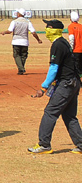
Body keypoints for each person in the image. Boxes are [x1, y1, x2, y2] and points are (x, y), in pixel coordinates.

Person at [28, 20, 82, 154]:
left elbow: (54, 68)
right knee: (69, 115)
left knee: (50, 112)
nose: (46, 29)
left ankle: (44, 144)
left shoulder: (57, 44)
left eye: (48, 27)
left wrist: (43, 87)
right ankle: (81, 144)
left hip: (66, 83)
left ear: (53, 29)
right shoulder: (63, 42)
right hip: (73, 82)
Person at [2, 9, 41, 74]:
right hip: (25, 41)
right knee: (24, 55)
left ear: (19, 14)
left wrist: (4, 32)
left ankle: (21, 68)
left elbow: (10, 31)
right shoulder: (28, 22)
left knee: (16, 55)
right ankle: (21, 69)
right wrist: (38, 39)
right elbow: (33, 32)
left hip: (16, 41)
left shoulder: (14, 22)